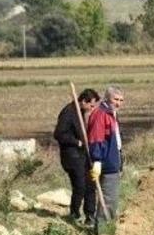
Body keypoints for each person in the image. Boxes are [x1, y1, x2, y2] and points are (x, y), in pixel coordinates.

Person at [53, 88, 100, 224]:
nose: (92, 108)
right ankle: (74, 214)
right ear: (84, 101)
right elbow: (59, 134)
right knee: (80, 185)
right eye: (91, 105)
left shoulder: (81, 112)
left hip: (84, 155)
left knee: (91, 184)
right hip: (72, 156)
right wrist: (77, 142)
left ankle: (90, 215)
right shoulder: (68, 112)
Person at [88, 85, 124, 227]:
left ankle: (105, 226)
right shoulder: (101, 115)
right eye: (116, 99)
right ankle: (102, 230)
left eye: (121, 100)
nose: (118, 103)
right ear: (107, 98)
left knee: (111, 199)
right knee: (109, 199)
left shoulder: (111, 114)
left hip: (113, 162)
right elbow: (96, 138)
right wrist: (97, 160)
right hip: (106, 164)